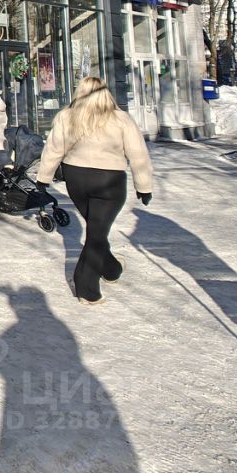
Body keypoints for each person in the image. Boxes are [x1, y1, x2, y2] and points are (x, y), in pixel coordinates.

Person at [37, 76, 153, 306]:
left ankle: (111, 268)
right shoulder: (120, 118)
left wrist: (44, 177)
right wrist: (144, 186)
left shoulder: (67, 116)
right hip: (109, 181)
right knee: (97, 233)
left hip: (76, 179)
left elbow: (54, 149)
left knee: (96, 231)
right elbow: (138, 154)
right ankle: (86, 287)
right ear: (105, 92)